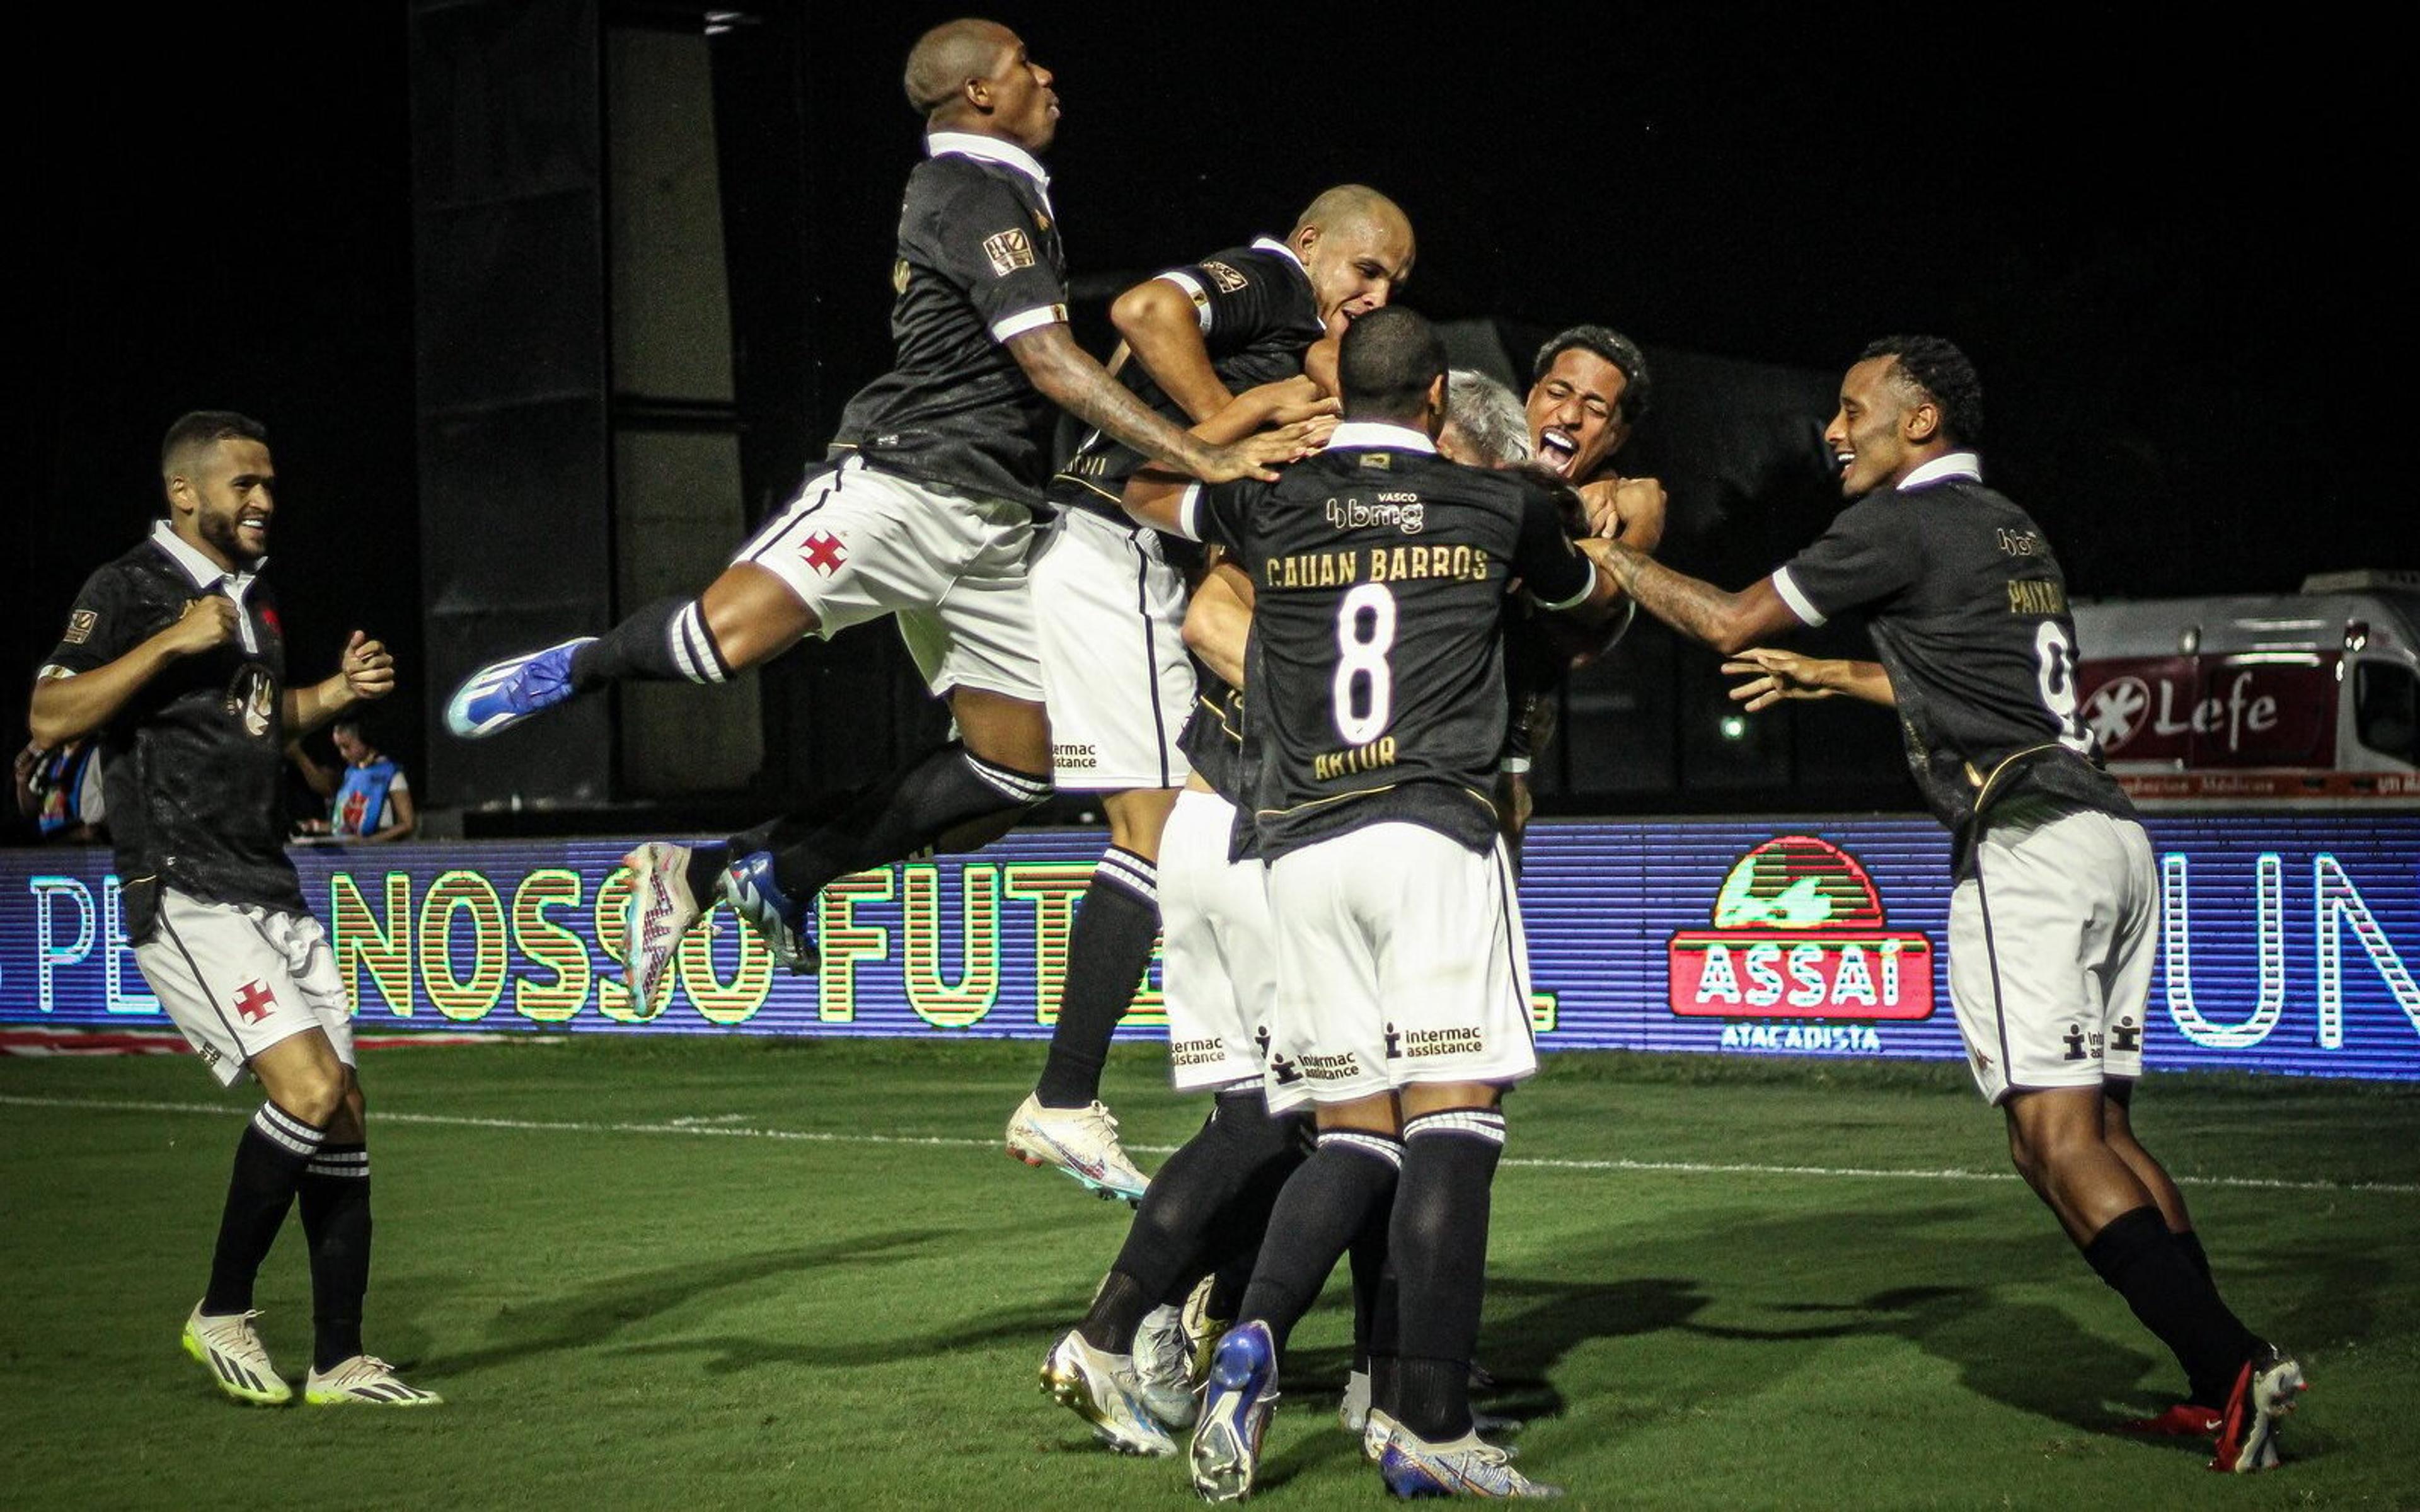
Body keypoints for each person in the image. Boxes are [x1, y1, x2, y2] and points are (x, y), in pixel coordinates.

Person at [442, 18, 1298, 1009]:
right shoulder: (968, 189)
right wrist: (1205, 451)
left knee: (1010, 775)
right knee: (721, 645)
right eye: (1027, 64)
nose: (1049, 74)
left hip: (995, 521)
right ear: (980, 92)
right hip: (904, 483)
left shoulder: (1006, 187)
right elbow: (1049, 362)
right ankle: (569, 666)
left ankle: (742, 871)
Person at [1591, 335, 2303, 1475]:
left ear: (1919, 423)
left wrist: (1609, 559)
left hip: (2027, 846)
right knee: (2108, 1132)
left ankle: (2232, 1363)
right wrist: (1831, 675)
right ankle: (2216, 1379)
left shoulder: (1900, 523)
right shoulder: (2008, 524)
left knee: (2050, 1141)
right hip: (2109, 836)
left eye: (1851, 408)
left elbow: (1726, 620)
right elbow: (1980, 681)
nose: (1832, 430)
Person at [1122, 307, 1624, 1499]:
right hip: (1429, 830)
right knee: (1454, 1122)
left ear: (1338, 388)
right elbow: (1590, 609)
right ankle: (1429, 1422)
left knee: (1354, 1132)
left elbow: (1141, 484)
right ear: (1440, 398)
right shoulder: (1499, 505)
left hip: (1298, 845)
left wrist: (1234, 446)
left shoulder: (1272, 501)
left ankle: (1252, 1334)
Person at [1010, 188, 1412, 1203]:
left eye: (1394, 287)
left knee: (1105, 804)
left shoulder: (1292, 342)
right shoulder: (1274, 279)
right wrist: (1215, 440)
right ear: (1313, 244)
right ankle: (1066, 1098)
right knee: (1156, 828)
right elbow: (1145, 311)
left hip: (1101, 550)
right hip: (1114, 555)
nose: (1373, 296)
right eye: (1366, 271)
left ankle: (1228, 1090)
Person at [27, 410, 436, 1407]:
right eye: (243, 485)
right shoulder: (128, 588)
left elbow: (255, 723)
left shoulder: (251, 601)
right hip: (183, 883)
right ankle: (222, 1310)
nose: (263, 500)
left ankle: (339, 1360)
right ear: (185, 494)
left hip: (267, 882)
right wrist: (170, 639)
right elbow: (50, 715)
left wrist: (334, 691)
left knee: (342, 1109)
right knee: (303, 1091)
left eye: (269, 485)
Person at [292, 718, 416, 842]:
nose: (343, 754)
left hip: (381, 853)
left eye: (346, 747)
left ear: (365, 740)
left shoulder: (391, 774)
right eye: (339, 748)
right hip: (354, 852)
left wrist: (371, 841)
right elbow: (346, 826)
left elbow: (407, 824)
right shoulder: (351, 774)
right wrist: (316, 826)